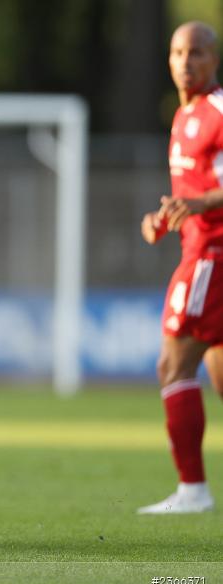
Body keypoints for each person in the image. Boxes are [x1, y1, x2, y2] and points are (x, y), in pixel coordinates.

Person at [138, 21, 223, 514]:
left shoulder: (217, 112)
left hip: (213, 255)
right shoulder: (183, 115)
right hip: (201, 246)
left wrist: (199, 205)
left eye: (196, 52)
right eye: (177, 52)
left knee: (173, 364)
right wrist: (166, 218)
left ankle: (193, 489)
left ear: (215, 58)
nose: (185, 62)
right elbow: (194, 195)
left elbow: (208, 197)